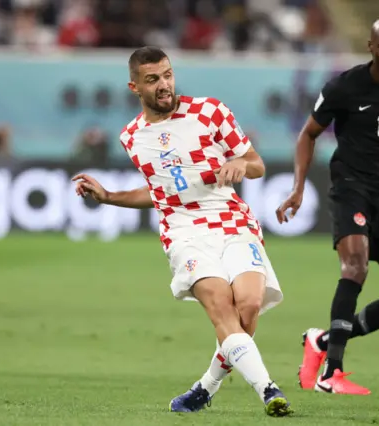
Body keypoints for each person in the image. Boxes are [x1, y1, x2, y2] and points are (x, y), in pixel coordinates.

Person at [73, 46, 292, 416]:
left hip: (231, 218)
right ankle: (269, 390)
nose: (164, 85)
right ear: (135, 88)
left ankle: (205, 387)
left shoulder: (210, 112)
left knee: (249, 306)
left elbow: (256, 164)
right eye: (153, 79)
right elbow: (158, 192)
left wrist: (239, 163)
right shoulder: (132, 137)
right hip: (184, 232)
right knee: (221, 309)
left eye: (168, 75)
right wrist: (109, 196)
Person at [276, 17, 379, 395]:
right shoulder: (344, 87)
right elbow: (308, 134)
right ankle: (332, 371)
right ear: (371, 47)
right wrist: (298, 187)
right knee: (356, 265)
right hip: (351, 186)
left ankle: (321, 341)